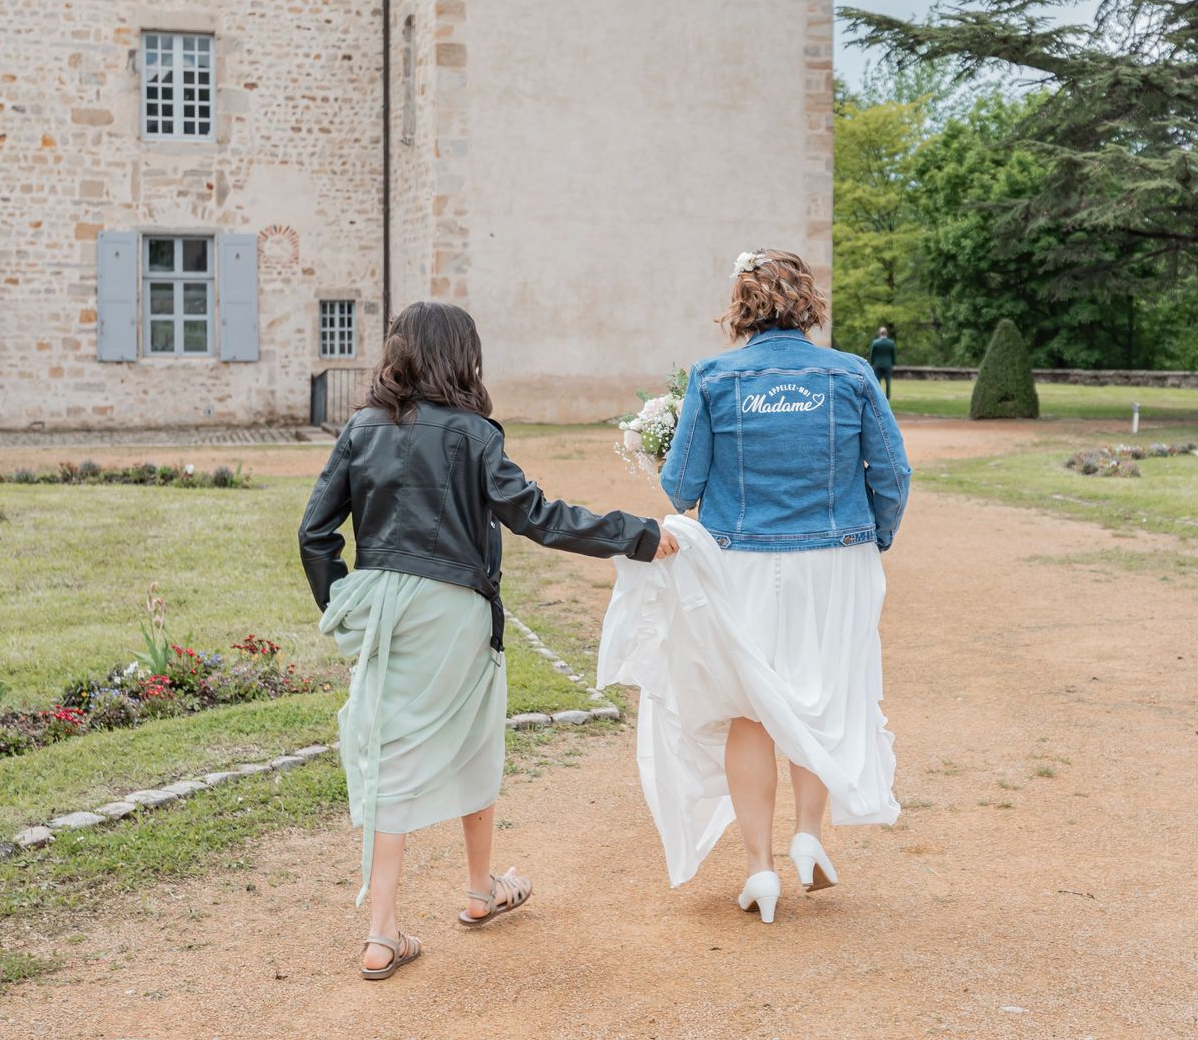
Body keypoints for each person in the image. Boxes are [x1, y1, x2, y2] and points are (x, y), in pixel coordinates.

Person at [299, 301, 676, 980]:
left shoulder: (360, 428)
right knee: (475, 736)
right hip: (455, 607)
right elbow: (537, 516)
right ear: (459, 356)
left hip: (384, 602)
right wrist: (638, 534)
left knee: (391, 752)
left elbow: (315, 534)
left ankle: (381, 933)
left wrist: (343, 604)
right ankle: (479, 888)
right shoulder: (472, 433)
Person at [598, 249, 912, 923]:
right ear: (806, 302)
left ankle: (760, 869)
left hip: (743, 563)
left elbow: (682, 487)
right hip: (835, 561)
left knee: (750, 708)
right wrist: (871, 538)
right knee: (818, 694)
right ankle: (809, 837)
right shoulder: (852, 373)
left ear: (741, 305)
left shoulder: (713, 377)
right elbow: (893, 472)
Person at [867, 324, 897, 398]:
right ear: (886, 333)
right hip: (887, 364)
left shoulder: (875, 343)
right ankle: (888, 396)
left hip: (878, 364)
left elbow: (872, 354)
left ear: (879, 333)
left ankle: (878, 395)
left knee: (877, 381)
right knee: (888, 381)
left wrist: (872, 363)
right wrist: (893, 363)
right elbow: (893, 354)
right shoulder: (891, 343)